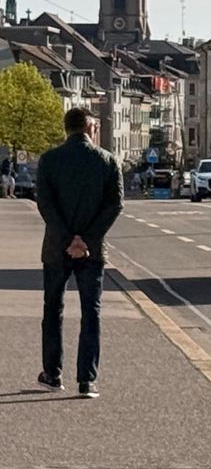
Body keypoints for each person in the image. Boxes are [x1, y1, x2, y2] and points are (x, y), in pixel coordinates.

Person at [35, 108, 123, 398]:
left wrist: (67, 238)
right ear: (89, 127)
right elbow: (114, 205)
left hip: (56, 248)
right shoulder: (108, 161)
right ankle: (87, 381)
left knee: (52, 310)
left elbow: (45, 205)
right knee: (91, 312)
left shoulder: (49, 160)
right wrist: (85, 239)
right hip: (92, 251)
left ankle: (52, 374)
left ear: (66, 128)